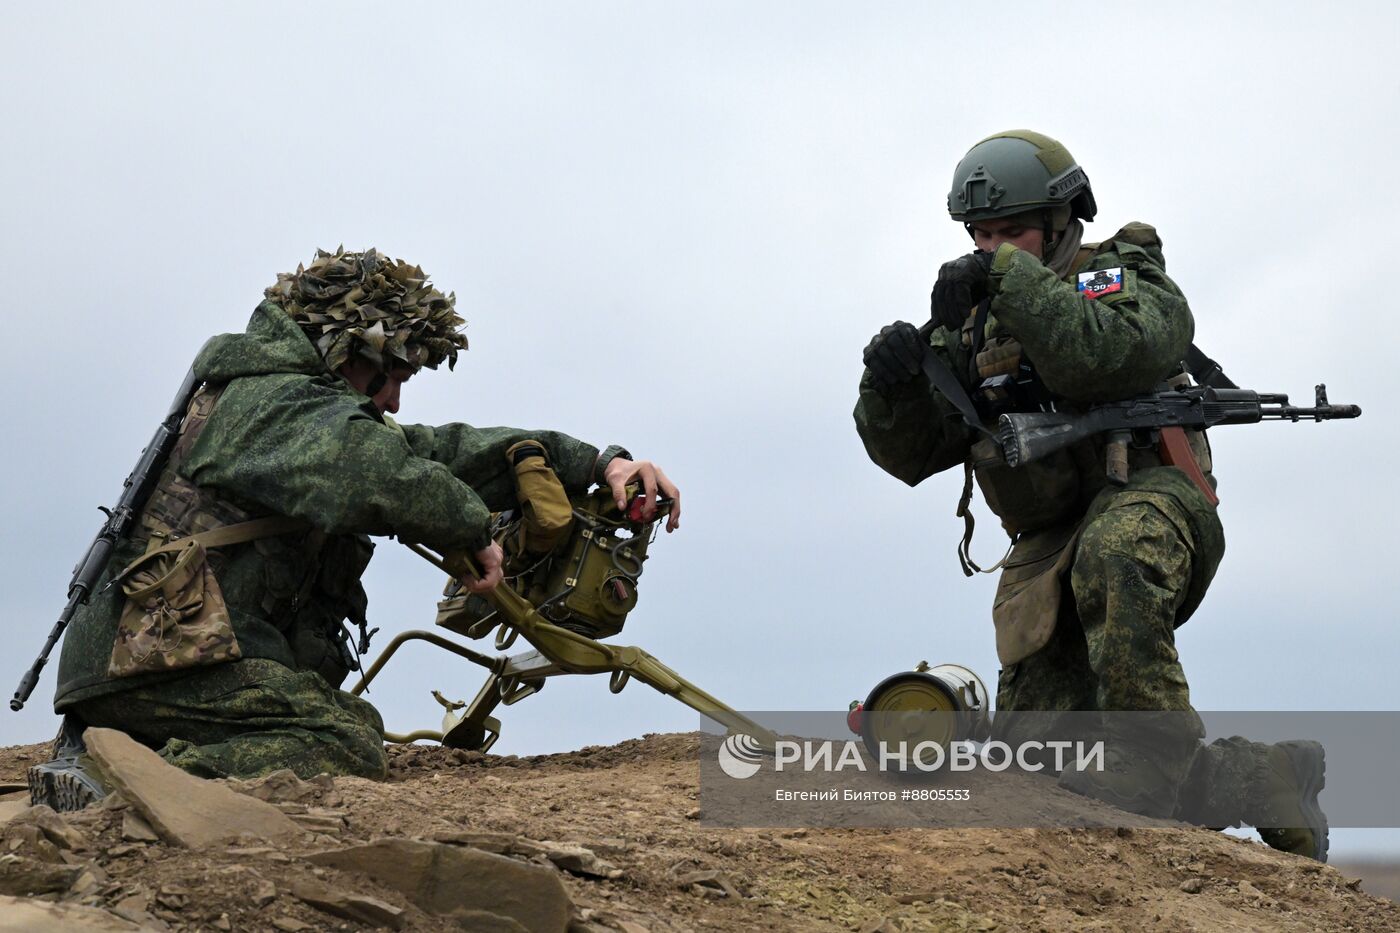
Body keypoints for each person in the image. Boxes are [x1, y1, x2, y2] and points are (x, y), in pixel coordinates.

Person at [31, 247, 681, 810]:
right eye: (388, 375)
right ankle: (113, 785)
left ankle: (110, 750)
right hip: (150, 659)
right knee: (334, 740)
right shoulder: (267, 404)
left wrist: (600, 463)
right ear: (345, 351)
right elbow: (379, 473)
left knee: (345, 721)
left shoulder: (298, 407)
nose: (395, 398)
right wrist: (467, 525)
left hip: (160, 656)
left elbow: (437, 452)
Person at [853, 130, 1328, 860]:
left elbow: (1105, 353)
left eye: (1011, 231)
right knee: (1045, 771)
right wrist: (892, 381)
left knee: (1115, 552)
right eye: (982, 234)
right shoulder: (977, 318)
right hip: (1047, 550)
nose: (991, 246)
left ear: (1061, 219)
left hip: (1153, 506)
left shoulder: (1121, 277)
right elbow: (912, 453)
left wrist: (1007, 276)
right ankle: (1265, 778)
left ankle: (1147, 788)